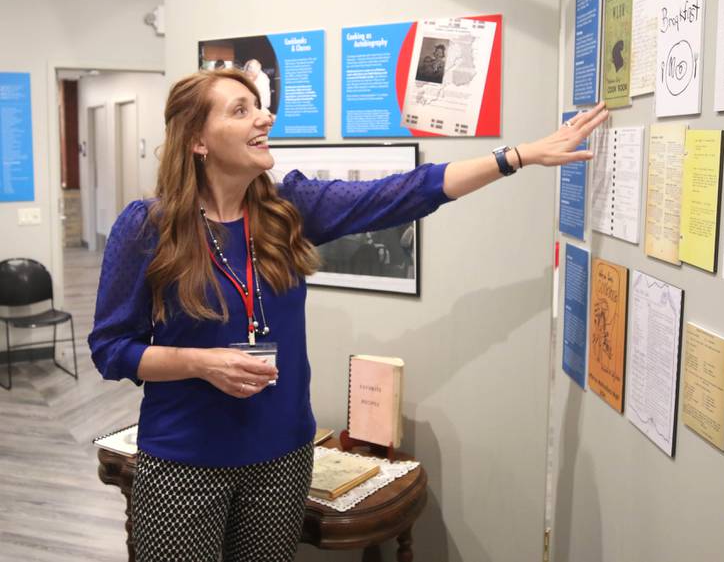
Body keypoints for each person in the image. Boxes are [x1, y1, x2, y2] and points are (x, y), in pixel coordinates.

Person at [88, 68, 607, 561]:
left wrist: (516, 156)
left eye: (261, 108)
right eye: (241, 110)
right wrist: (201, 363)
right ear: (197, 141)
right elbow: (111, 349)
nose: (263, 119)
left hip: (280, 460)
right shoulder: (148, 228)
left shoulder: (286, 210)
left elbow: (404, 192)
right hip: (184, 463)